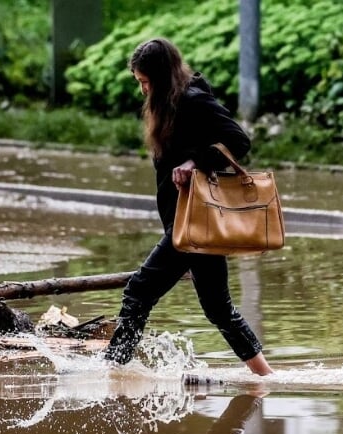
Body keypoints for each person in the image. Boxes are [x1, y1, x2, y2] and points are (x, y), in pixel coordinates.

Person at [102, 38, 274, 376]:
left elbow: (239, 141)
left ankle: (112, 369)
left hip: (193, 223)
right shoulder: (167, 104)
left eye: (145, 82)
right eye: (140, 83)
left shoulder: (194, 101)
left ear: (162, 78)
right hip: (186, 224)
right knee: (217, 308)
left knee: (139, 291)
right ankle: (266, 377)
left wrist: (195, 160)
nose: (143, 90)